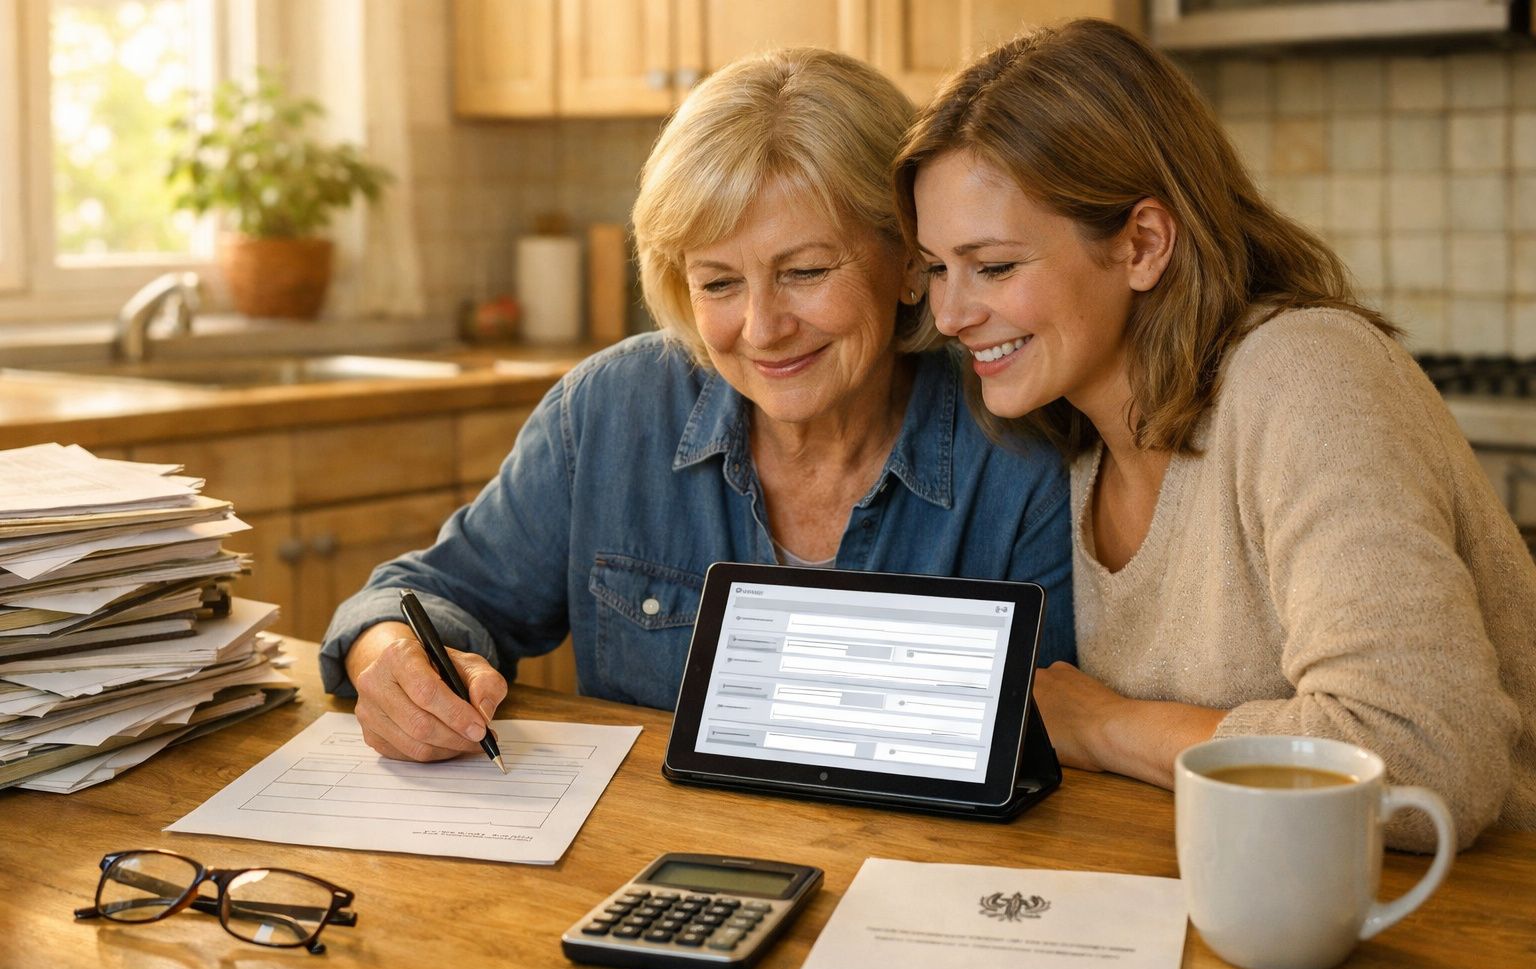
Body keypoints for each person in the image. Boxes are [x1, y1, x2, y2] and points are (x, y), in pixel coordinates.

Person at [319, 48, 1074, 766]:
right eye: (718, 284)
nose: (763, 329)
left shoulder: (1016, 450)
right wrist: (393, 657)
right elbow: (431, 595)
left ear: (911, 258)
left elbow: (1064, 746)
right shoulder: (609, 412)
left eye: (805, 271)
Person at [896, 19, 1536, 851]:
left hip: (1477, 920)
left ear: (1143, 244)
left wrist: (1108, 727)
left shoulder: (1306, 374)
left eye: (996, 267)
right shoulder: (1077, 444)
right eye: (937, 267)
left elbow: (1422, 759)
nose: (951, 314)